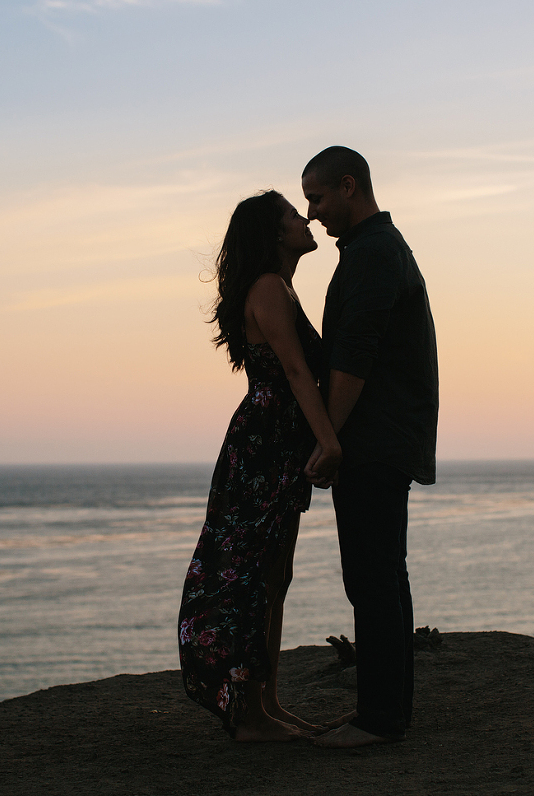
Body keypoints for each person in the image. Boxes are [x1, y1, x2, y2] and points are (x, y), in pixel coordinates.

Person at [178, 190, 343, 742]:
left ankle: (267, 704)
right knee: (256, 574)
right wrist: (330, 442)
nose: (306, 219)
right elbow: (296, 373)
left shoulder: (282, 286)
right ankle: (249, 715)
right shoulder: (270, 288)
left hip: (276, 440)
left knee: (276, 573)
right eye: (295, 216)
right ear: (275, 234)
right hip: (266, 442)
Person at [301, 146, 439, 748]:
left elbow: (353, 359)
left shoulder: (374, 254)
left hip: (374, 440)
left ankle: (379, 719)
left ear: (349, 187)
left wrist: (327, 439)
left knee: (373, 577)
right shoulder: (375, 250)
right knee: (382, 575)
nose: (312, 213)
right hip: (384, 437)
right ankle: (387, 712)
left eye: (318, 197)